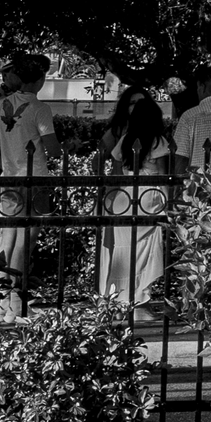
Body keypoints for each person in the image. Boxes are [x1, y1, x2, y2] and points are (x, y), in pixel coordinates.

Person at [91, 88, 176, 312]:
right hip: (148, 197)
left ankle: (119, 301)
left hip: (124, 197)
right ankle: (137, 303)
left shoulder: (125, 139)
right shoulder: (158, 141)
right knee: (143, 252)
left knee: (122, 252)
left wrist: (107, 201)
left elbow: (115, 174)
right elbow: (162, 176)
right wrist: (170, 205)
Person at [0, 54, 58, 319]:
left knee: (8, 238)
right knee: (25, 241)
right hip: (36, 179)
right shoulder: (40, 108)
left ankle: (2, 300)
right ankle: (16, 299)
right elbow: (52, 148)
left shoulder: (1, 105)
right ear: (40, 79)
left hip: (9, 179)